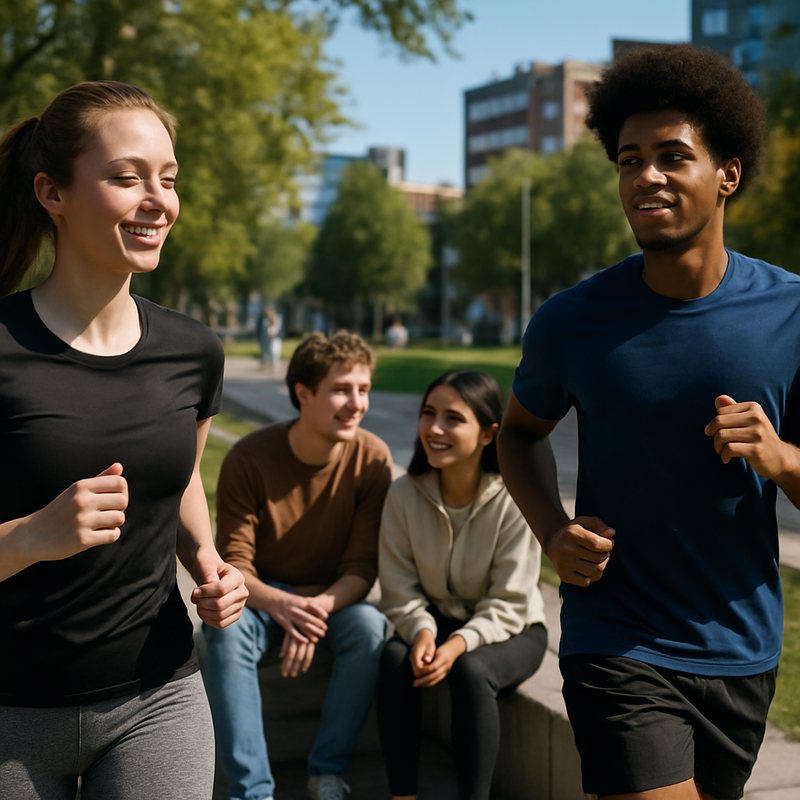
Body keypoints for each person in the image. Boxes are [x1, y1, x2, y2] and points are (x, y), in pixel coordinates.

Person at [498, 44, 796, 800]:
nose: (646, 177)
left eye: (673, 156)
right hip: (614, 633)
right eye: (630, 161)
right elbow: (519, 432)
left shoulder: (790, 314)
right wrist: (552, 531)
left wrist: (781, 457)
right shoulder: (571, 321)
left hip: (740, 644)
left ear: (728, 174)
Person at [0, 81, 248, 800]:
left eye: (168, 179)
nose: (158, 201)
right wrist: (32, 536)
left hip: (158, 698)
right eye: (127, 177)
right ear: (52, 192)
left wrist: (208, 560)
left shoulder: (194, 351)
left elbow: (182, 476)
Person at [204, 331, 393, 800]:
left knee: (370, 626)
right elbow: (235, 566)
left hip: (334, 602)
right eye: (341, 390)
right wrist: (284, 606)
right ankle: (253, 792)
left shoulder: (372, 458)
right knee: (224, 629)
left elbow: (362, 569)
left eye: (364, 389)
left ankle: (326, 773)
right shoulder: (249, 458)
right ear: (303, 393)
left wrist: (313, 611)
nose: (357, 403)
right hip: (264, 600)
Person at [377, 369, 547, 800]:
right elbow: (398, 587)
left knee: (470, 671)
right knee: (394, 658)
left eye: (453, 418)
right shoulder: (403, 495)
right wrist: (422, 631)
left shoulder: (514, 498)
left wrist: (456, 645)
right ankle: (403, 797)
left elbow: (510, 600)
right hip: (437, 620)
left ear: (489, 434)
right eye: (428, 413)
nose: (434, 428)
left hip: (514, 629)